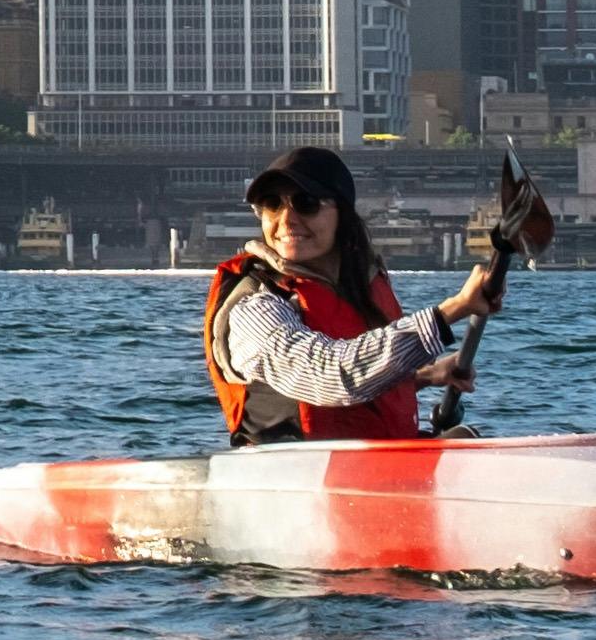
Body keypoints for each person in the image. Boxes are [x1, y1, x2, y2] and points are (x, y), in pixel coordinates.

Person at [199, 145, 498, 444]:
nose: (287, 220)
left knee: (468, 440)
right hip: (290, 479)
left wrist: (423, 376)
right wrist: (452, 311)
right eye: (272, 204)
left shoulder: (358, 286)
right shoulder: (255, 307)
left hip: (372, 470)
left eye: (306, 203)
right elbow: (331, 374)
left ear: (342, 214)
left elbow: (360, 380)